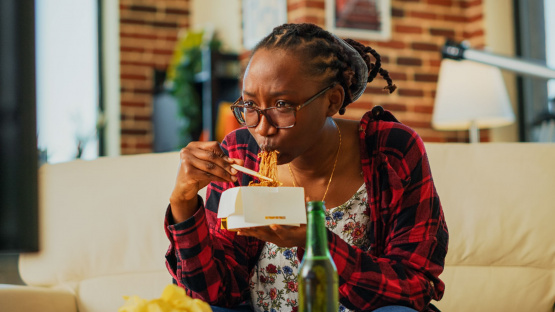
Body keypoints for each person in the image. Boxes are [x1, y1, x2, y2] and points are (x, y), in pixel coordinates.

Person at [164, 23, 448, 312]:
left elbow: (414, 286)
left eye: (282, 104)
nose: (262, 128)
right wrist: (183, 205)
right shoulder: (240, 153)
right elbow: (216, 293)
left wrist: (313, 241)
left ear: (332, 100)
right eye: (250, 105)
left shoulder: (391, 150)